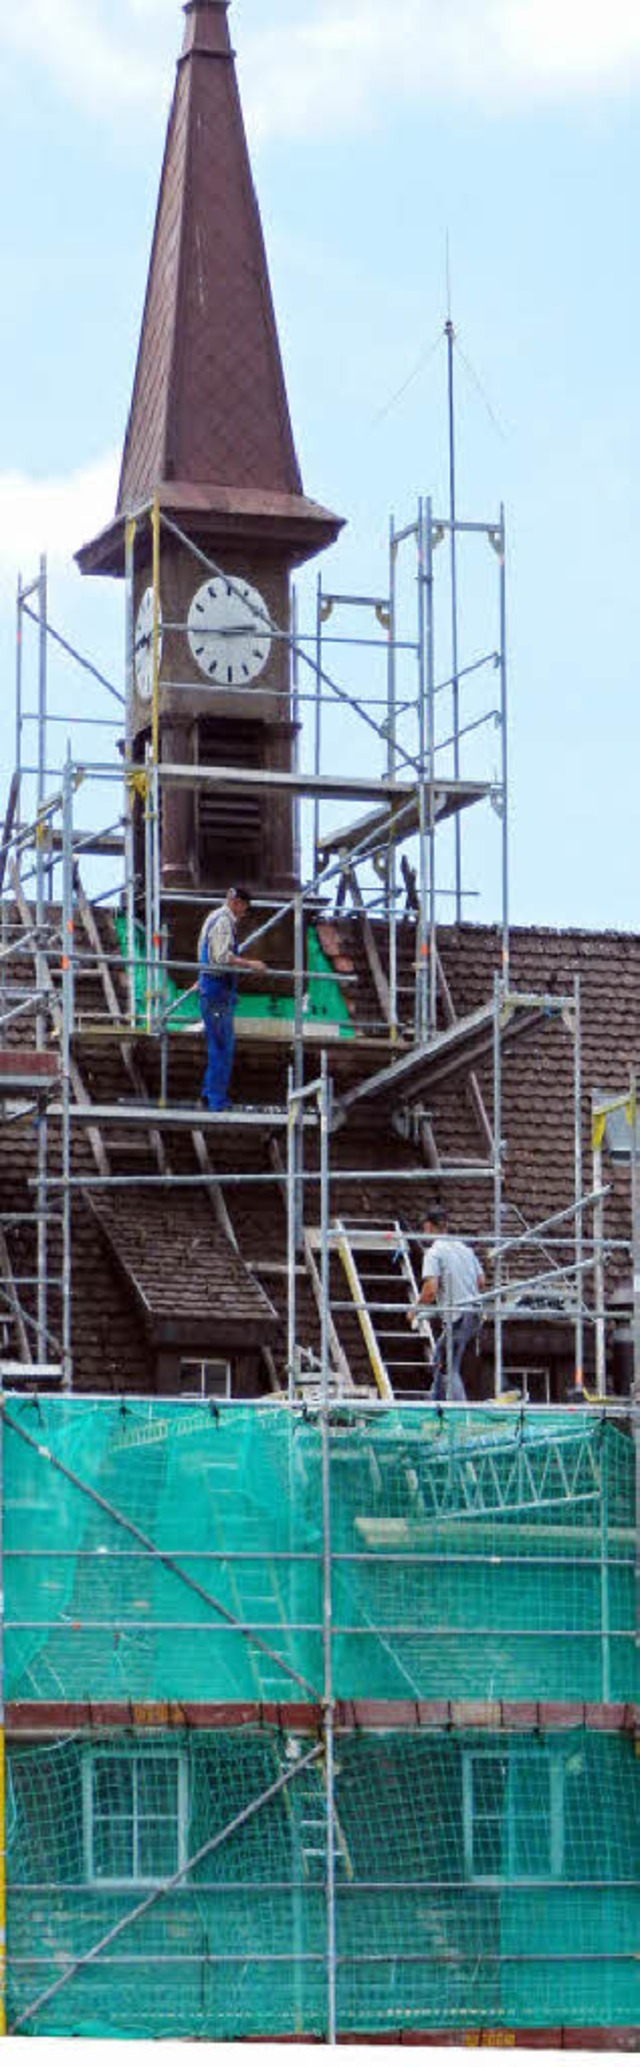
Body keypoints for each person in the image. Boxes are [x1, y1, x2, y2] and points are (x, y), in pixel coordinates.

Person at [407, 1205, 485, 1402]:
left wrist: (414, 1310)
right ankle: (436, 1403)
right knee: (441, 1359)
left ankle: (458, 1415)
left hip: (458, 1315)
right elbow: (481, 1282)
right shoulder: (465, 1249)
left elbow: (431, 1290)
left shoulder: (434, 1252)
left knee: (449, 1367)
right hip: (474, 1313)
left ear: (428, 1226)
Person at [198, 888, 265, 1112]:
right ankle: (216, 1101)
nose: (243, 914)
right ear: (237, 903)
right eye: (244, 909)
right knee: (222, 1047)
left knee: (217, 1045)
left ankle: (209, 1095)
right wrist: (250, 964)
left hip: (212, 988)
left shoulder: (214, 917)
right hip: (217, 990)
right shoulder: (224, 921)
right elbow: (220, 957)